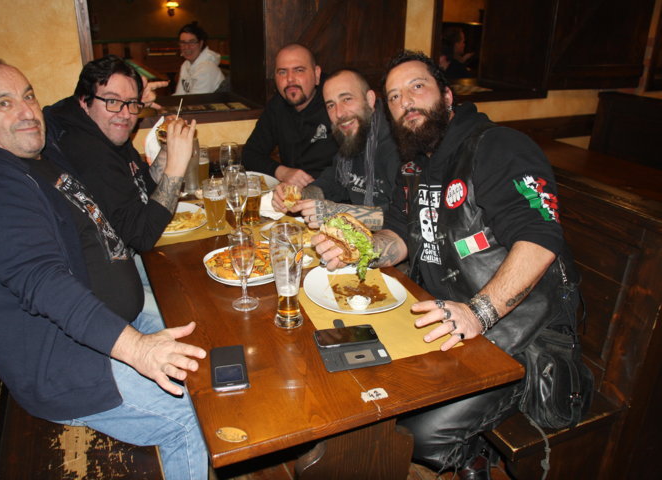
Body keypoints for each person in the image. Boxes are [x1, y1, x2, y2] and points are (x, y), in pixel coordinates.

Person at [313, 50, 580, 479]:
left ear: (448, 95)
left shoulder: (498, 147)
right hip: (445, 318)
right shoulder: (414, 165)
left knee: (415, 432)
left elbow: (540, 238)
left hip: (521, 336)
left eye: (417, 87)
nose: (406, 102)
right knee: (356, 372)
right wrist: (360, 250)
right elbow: (399, 234)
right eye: (394, 96)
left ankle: (474, 459)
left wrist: (479, 312)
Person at [0, 59, 207, 480]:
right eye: (4, 103)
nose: (26, 111)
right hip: (66, 362)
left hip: (111, 320)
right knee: (191, 421)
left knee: (205, 344)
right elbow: (43, 282)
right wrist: (139, 349)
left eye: (28, 96)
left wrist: (124, 99)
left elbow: (72, 106)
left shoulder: (37, 148)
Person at [44, 55, 191, 254]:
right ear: (85, 102)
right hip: (117, 264)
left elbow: (142, 189)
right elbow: (142, 237)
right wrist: (176, 167)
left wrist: (166, 149)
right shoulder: (88, 152)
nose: (125, 114)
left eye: (131, 103)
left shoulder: (106, 132)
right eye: (112, 101)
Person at [272, 69, 401, 231]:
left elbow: (405, 217)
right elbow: (336, 181)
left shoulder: (399, 144)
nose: (339, 113)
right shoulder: (353, 134)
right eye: (331, 105)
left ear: (369, 99)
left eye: (347, 99)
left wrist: (337, 213)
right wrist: (299, 195)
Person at [242, 44, 338, 188]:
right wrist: (283, 172)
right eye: (282, 72)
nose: (290, 79)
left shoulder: (336, 101)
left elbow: (355, 165)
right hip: (291, 194)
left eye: (299, 70)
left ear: (316, 74)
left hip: (333, 195)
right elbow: (249, 154)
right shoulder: (277, 105)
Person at [174, 21, 225, 95]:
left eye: (192, 42)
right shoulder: (185, 65)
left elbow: (195, 101)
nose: (187, 47)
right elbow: (179, 95)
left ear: (201, 44)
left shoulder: (207, 68)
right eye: (183, 42)